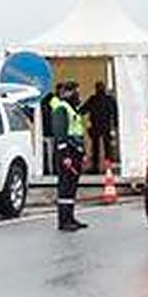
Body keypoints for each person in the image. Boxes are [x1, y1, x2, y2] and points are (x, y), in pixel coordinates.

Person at [49, 81, 88, 231]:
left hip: (75, 152)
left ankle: (71, 217)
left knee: (72, 187)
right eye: (76, 92)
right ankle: (64, 221)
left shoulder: (73, 109)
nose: (79, 96)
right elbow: (60, 135)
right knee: (65, 187)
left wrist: (83, 153)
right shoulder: (61, 109)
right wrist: (65, 156)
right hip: (67, 153)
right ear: (67, 93)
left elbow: (78, 132)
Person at [81, 80, 118, 174]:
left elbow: (83, 110)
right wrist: (115, 126)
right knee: (107, 149)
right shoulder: (109, 99)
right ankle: (108, 167)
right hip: (106, 126)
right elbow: (115, 114)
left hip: (96, 126)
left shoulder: (93, 99)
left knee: (96, 148)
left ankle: (95, 167)